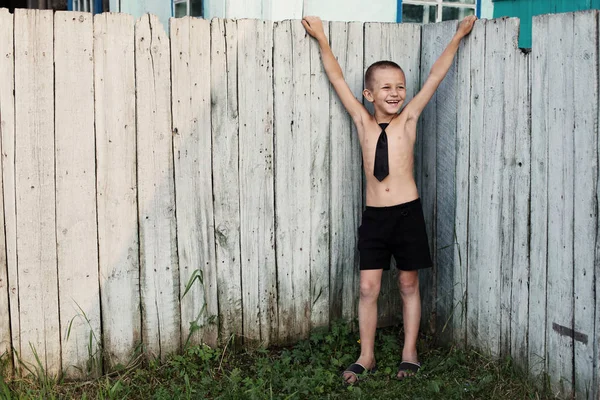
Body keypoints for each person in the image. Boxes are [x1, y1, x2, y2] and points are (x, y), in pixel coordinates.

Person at [302, 15, 476, 383]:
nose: (395, 93)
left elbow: (434, 77)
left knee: (409, 284)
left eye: (399, 86)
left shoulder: (409, 118)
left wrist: (459, 35)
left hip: (407, 215)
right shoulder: (362, 122)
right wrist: (321, 39)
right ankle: (366, 356)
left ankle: (409, 352)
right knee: (368, 287)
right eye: (385, 87)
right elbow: (335, 78)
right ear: (369, 94)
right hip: (375, 218)